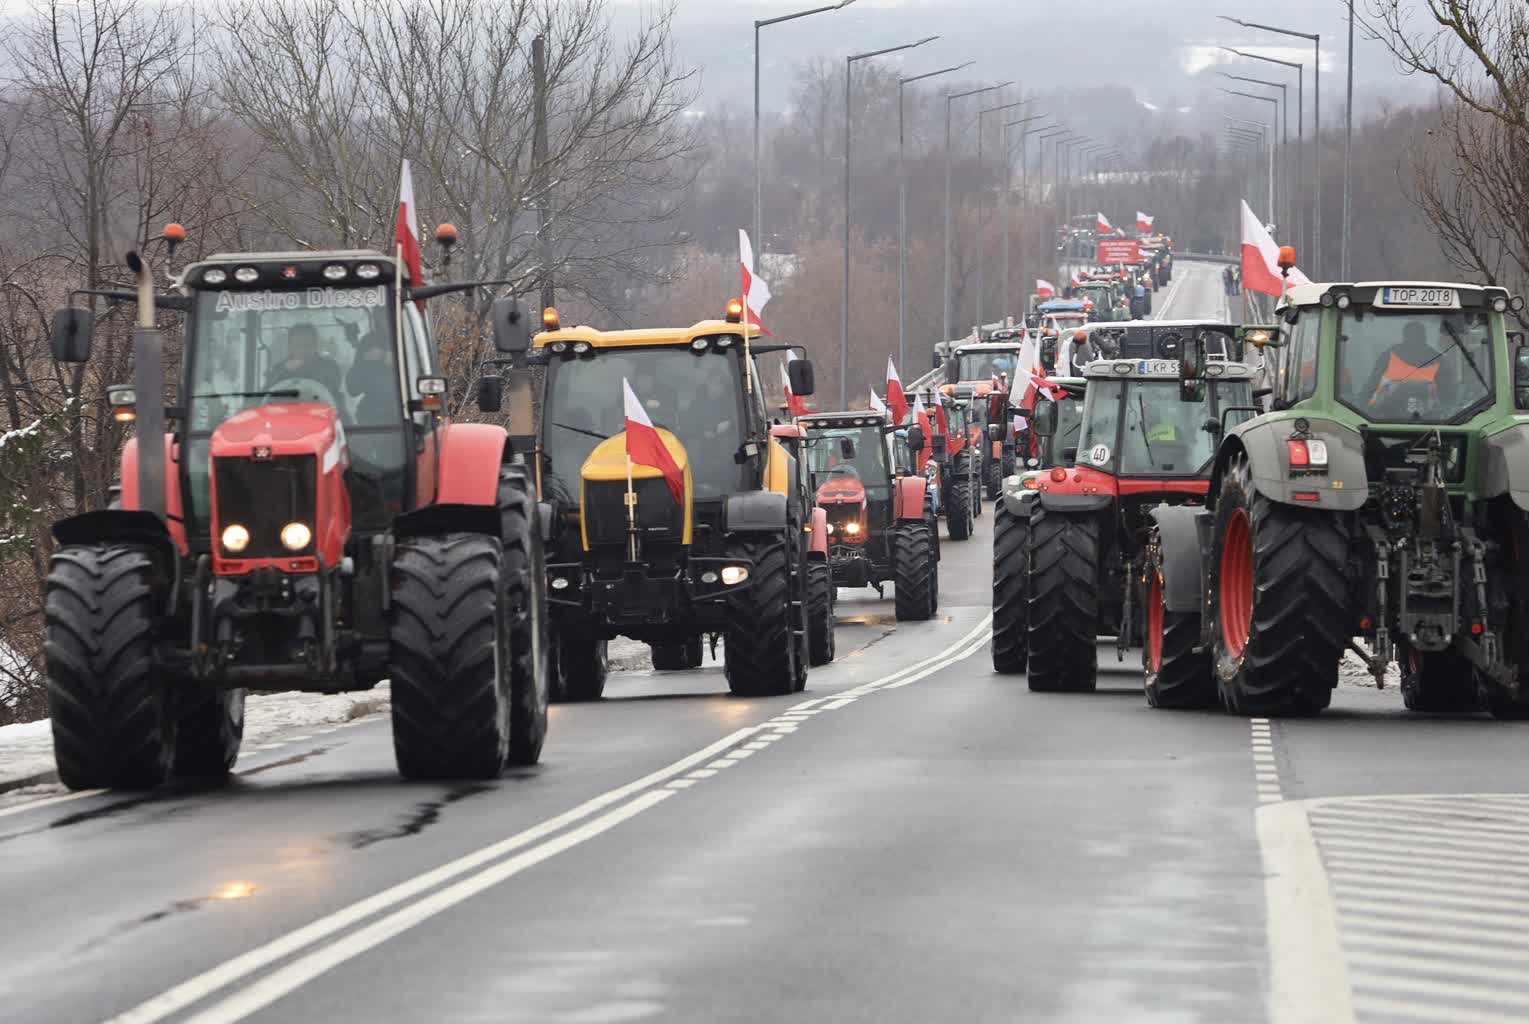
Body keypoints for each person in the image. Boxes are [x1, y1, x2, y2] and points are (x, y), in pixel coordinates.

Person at [269, 323, 343, 398]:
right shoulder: (279, 369)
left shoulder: (329, 367)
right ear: (290, 346)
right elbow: (265, 395)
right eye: (298, 345)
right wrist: (284, 371)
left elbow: (334, 394)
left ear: (315, 345)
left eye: (308, 345)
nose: (303, 350)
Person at [346, 328, 397, 424]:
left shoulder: (406, 338)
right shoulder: (368, 341)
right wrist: (362, 361)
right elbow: (353, 389)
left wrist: (387, 357)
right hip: (371, 416)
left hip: (401, 412)